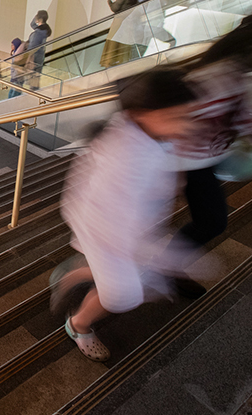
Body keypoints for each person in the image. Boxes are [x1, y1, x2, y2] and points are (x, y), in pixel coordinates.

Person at [55, 67, 200, 362]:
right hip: (103, 229)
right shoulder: (124, 155)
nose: (183, 126)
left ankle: (75, 274)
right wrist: (158, 256)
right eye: (174, 118)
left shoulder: (144, 131)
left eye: (185, 116)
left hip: (119, 229)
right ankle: (78, 324)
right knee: (123, 295)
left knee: (130, 277)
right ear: (141, 113)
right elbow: (109, 214)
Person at [166, 4, 252, 296]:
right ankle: (164, 267)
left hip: (203, 159)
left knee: (209, 220)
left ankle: (168, 266)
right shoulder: (222, 75)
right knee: (211, 220)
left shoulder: (236, 71)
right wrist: (177, 173)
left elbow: (241, 112)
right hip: (192, 162)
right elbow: (186, 120)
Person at [99, 0, 141, 67]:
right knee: (122, 48)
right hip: (128, 23)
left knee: (112, 47)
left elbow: (115, 8)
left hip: (119, 22)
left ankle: (109, 66)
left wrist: (110, 1)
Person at [26, 11, 52, 89]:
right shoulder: (44, 30)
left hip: (35, 58)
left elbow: (32, 49)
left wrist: (28, 59)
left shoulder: (38, 33)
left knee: (33, 78)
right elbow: (32, 24)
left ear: (40, 18)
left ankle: (33, 93)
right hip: (40, 57)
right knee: (36, 78)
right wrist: (40, 18)